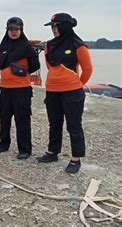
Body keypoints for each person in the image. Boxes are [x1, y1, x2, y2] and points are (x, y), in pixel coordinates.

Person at [37, 13, 93, 174]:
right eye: (52, 27)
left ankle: (76, 158)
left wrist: (76, 84)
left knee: (74, 125)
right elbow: (49, 66)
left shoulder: (78, 45)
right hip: (52, 90)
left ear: (65, 27)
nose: (54, 30)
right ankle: (52, 152)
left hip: (72, 92)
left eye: (56, 26)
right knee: (54, 123)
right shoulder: (49, 45)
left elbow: (88, 69)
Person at [0, 17, 40, 159]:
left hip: (21, 89)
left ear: (21, 30)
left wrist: (21, 72)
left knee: (22, 119)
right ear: (7, 30)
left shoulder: (26, 47)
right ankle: (3, 144)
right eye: (11, 29)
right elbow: (1, 61)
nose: (13, 32)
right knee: (4, 117)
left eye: (16, 29)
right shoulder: (4, 45)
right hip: (5, 88)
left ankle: (24, 149)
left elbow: (35, 65)